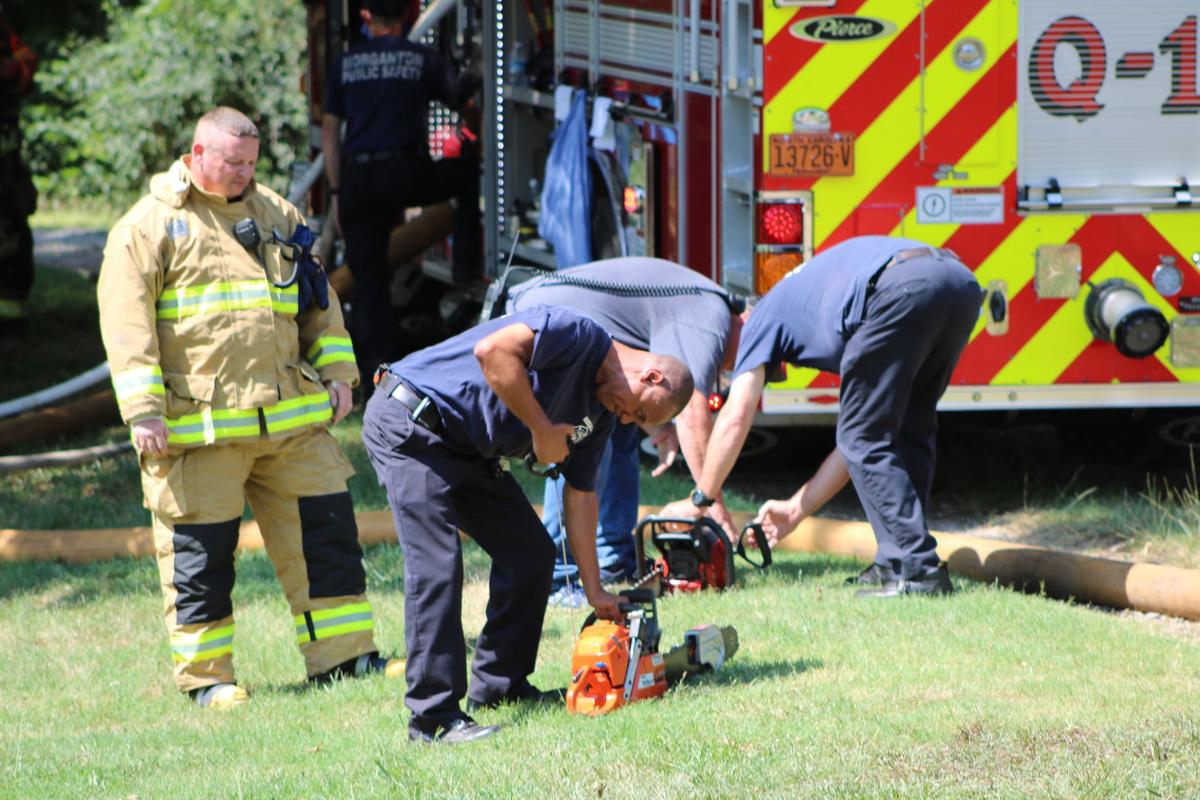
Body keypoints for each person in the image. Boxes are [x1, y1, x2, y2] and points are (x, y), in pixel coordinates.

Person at [98, 107, 402, 710]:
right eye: (232, 163)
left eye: (251, 164)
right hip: (198, 430)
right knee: (199, 558)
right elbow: (126, 326)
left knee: (327, 539)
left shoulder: (276, 215)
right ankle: (208, 680)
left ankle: (344, 658)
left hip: (290, 422)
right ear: (196, 152)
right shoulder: (150, 226)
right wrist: (144, 412)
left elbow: (319, 305)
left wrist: (340, 373)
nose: (243, 174)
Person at [362, 305, 693, 743]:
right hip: (412, 423)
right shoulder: (579, 335)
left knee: (531, 554)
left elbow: (581, 496)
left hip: (466, 449)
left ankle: (499, 688)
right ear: (652, 377)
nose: (630, 419)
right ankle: (432, 720)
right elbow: (492, 352)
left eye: (639, 422)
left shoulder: (602, 415)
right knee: (436, 564)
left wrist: (594, 590)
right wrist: (540, 429)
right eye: (642, 413)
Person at [660, 237, 983, 597]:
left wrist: (700, 499)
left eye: (728, 364)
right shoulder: (799, 298)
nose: (731, 367)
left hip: (900, 289)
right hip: (958, 283)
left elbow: (736, 416)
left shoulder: (758, 321)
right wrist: (797, 509)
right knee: (906, 429)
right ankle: (895, 560)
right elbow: (856, 449)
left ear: (741, 318)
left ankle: (917, 569)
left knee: (864, 436)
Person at [504, 257, 747, 605]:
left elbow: (647, 380)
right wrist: (711, 504)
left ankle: (613, 558)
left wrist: (658, 424)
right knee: (577, 440)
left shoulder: (704, 305)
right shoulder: (713, 319)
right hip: (535, 323)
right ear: (749, 321)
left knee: (616, 428)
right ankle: (559, 578)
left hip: (553, 319)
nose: (739, 367)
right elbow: (693, 409)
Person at [322, 0, 481, 394]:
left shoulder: (345, 63)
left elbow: (329, 134)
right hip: (407, 171)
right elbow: (464, 105)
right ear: (408, 15)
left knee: (368, 279)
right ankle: (466, 270)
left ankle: (373, 378)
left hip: (359, 176)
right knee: (465, 174)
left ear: (365, 15)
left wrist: (338, 191)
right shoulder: (422, 58)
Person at [0, 11, 37, 332]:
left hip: (7, 170)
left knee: (13, 237)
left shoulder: (4, 33)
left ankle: (13, 321)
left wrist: (16, 70)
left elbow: (27, 61)